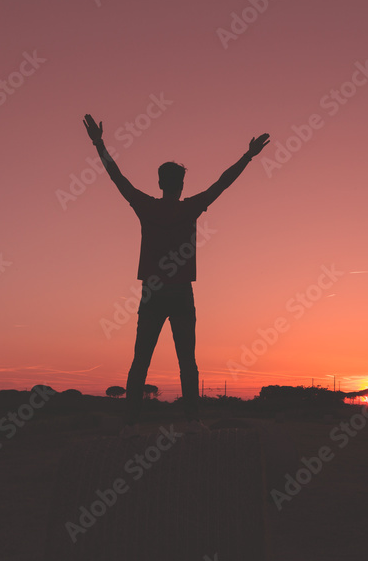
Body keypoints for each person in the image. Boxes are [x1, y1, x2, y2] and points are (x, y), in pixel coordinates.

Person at [83, 114, 269, 433]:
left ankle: (130, 421)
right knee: (187, 361)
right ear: (181, 185)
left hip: (153, 291)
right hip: (181, 291)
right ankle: (192, 419)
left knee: (141, 361)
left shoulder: (146, 206)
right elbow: (223, 183)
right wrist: (248, 156)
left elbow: (117, 178)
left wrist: (99, 144)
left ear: (159, 183)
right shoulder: (189, 207)